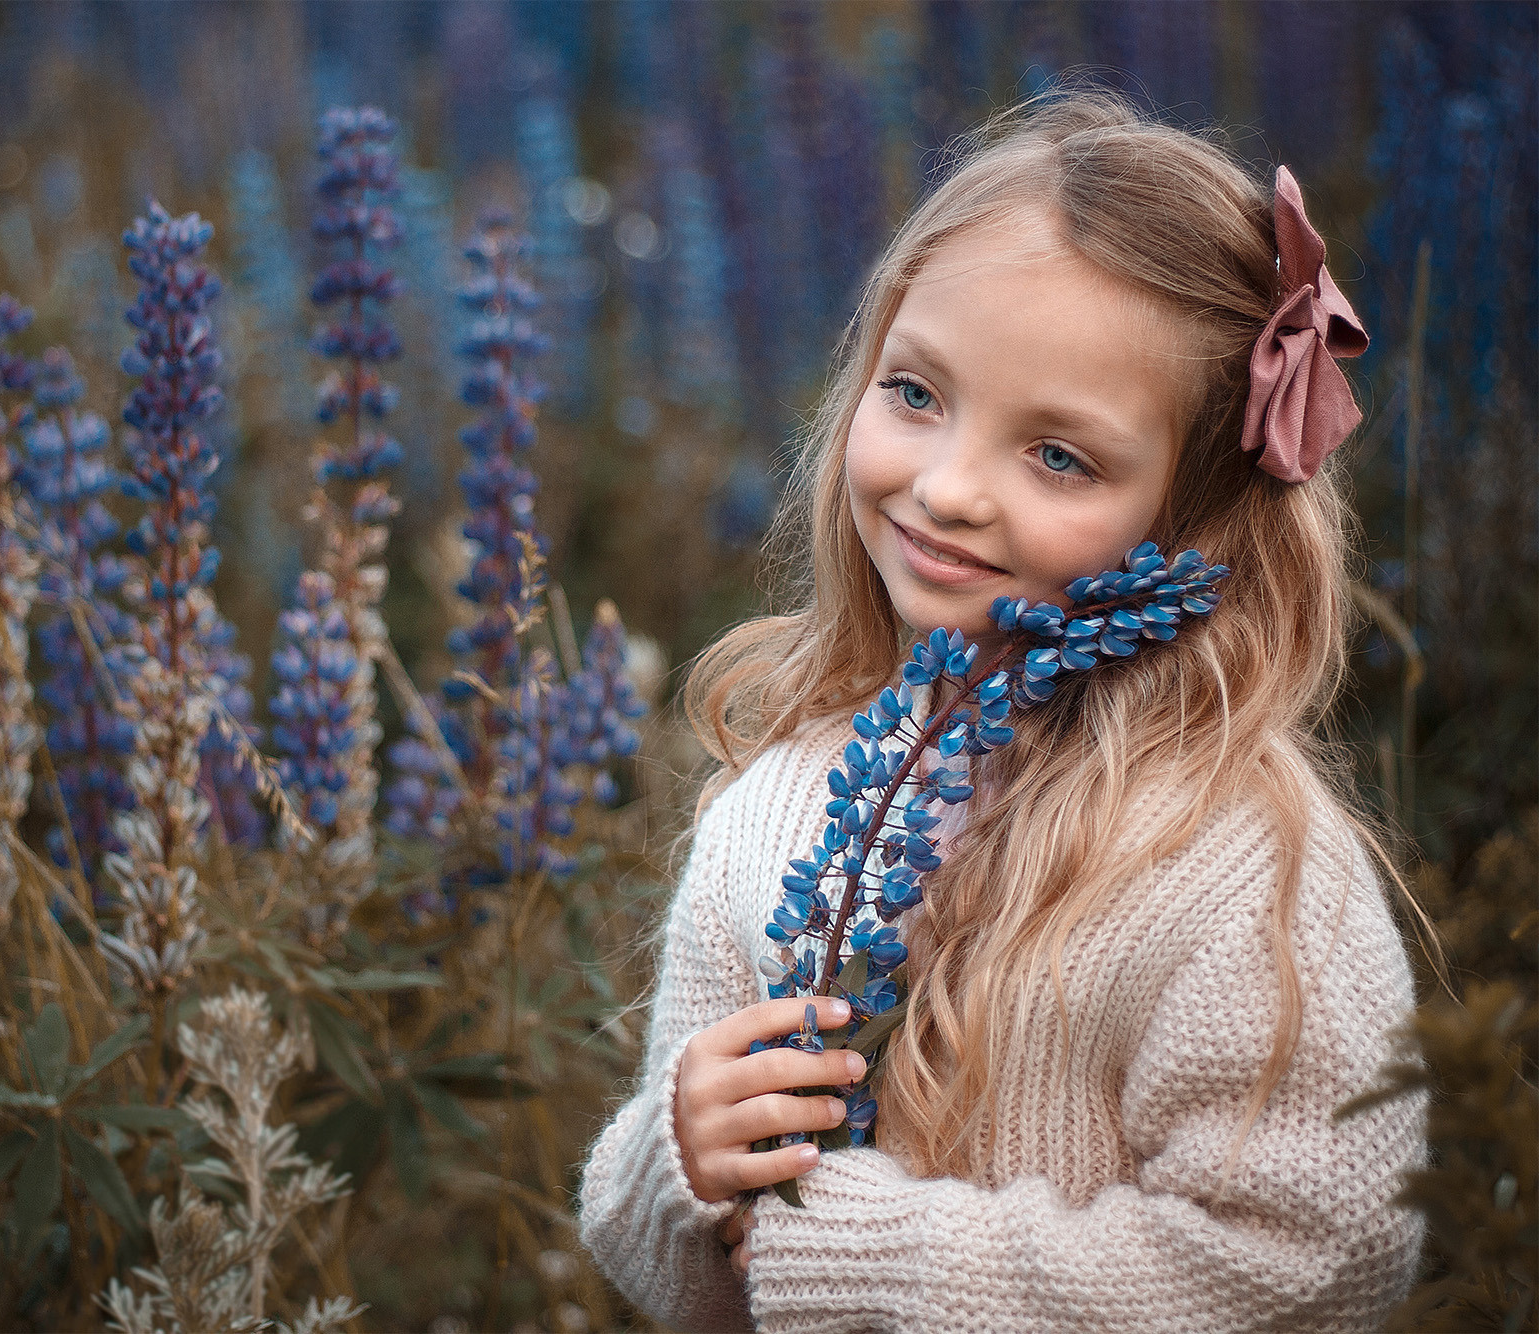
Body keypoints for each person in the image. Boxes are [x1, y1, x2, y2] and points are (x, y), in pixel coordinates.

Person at [575, 89, 1433, 1333]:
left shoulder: (1233, 864)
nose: (947, 488)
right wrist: (680, 1162)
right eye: (915, 394)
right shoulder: (776, 807)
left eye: (1057, 456)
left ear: (1192, 516)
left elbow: (1315, 1259)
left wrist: (877, 1259)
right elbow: (686, 1283)